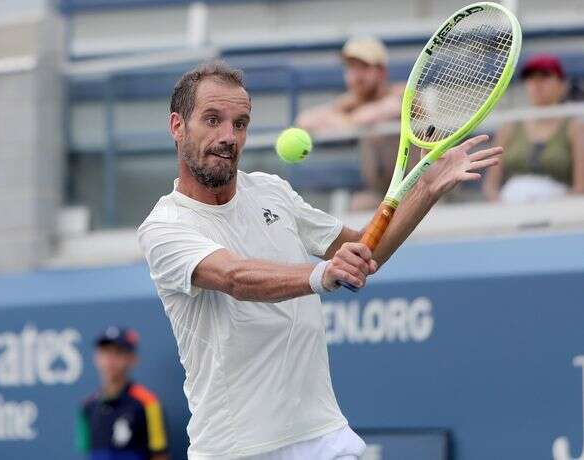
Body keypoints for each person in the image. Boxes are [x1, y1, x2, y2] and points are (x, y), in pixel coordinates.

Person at [137, 60, 502, 460]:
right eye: (212, 120)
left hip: (322, 435)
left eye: (240, 123)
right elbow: (235, 277)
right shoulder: (164, 226)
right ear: (177, 127)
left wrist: (425, 189)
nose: (228, 136)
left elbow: (367, 250)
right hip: (235, 448)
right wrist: (321, 273)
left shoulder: (272, 192)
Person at [295, 36, 405, 211]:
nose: (356, 75)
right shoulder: (350, 103)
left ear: (381, 72)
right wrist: (346, 117)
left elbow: (375, 114)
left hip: (419, 188)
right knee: (358, 206)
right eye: (351, 68)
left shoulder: (403, 94)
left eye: (364, 67)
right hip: (384, 194)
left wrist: (344, 119)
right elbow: (304, 120)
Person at [483, 54, 584, 202]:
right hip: (511, 208)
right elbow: (490, 186)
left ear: (561, 84)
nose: (536, 84)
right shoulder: (510, 125)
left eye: (545, 76)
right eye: (531, 78)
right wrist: (501, 207)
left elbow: (580, 186)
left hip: (557, 212)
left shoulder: (574, 127)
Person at [76, 327, 169, 460]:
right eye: (105, 352)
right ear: (96, 358)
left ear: (133, 359)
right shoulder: (86, 407)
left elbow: (160, 454)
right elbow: (88, 452)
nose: (110, 360)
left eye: (118, 353)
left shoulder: (149, 403)